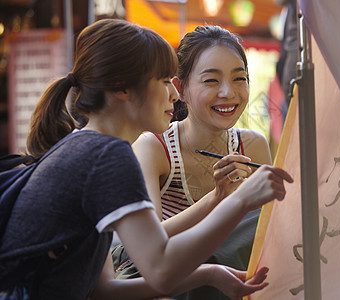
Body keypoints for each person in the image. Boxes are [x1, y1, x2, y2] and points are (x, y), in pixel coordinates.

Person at [0, 19, 293, 299]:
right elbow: (160, 271)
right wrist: (238, 200)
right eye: (165, 81)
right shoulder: (108, 155)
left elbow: (104, 290)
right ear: (122, 88)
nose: (175, 94)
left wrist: (210, 274)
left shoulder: (87, 147)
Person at [114, 26, 273, 298]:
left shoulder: (253, 146)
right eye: (211, 81)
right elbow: (146, 243)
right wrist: (218, 198)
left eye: (239, 78)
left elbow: (266, 235)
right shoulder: (154, 147)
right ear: (181, 89)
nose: (228, 92)